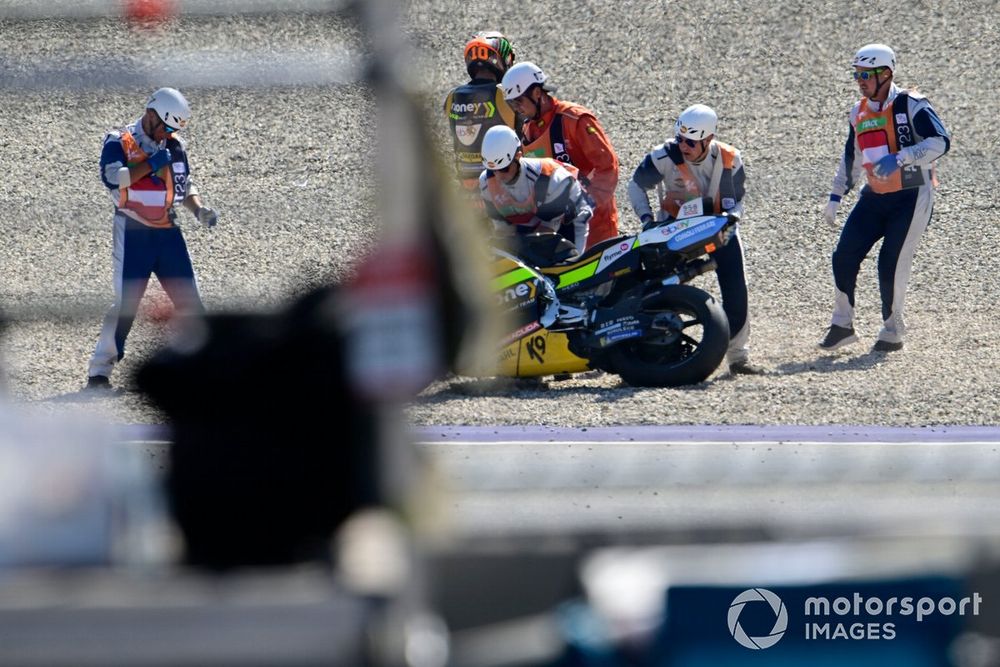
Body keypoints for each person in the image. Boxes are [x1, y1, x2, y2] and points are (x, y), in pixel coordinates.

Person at [819, 44, 950, 352]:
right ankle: (842, 325)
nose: (860, 81)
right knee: (843, 255)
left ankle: (892, 330)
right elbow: (851, 157)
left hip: (912, 194)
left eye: (866, 75)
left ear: (886, 74)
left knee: (889, 262)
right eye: (857, 75)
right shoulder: (858, 111)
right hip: (875, 196)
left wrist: (902, 157)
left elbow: (941, 142)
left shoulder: (912, 105)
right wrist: (836, 196)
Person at [86, 87, 218, 390]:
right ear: (151, 115)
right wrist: (151, 164)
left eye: (174, 129)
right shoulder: (119, 141)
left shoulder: (174, 145)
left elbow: (183, 187)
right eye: (167, 127)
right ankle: (99, 372)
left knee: (190, 302)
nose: (168, 134)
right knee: (126, 304)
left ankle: (200, 368)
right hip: (133, 232)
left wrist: (199, 210)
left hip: (168, 233)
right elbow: (112, 177)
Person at [627, 104, 763, 376]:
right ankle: (648, 352)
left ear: (709, 140)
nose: (684, 146)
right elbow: (636, 185)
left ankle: (737, 357)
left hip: (716, 229)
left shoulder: (730, 159)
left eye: (691, 142)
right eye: (680, 139)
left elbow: (736, 203)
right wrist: (647, 220)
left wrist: (732, 220)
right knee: (654, 289)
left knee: (737, 287)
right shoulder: (664, 155)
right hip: (672, 232)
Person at [500, 62, 620, 248]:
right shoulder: (527, 130)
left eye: (519, 101)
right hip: (558, 231)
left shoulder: (574, 119)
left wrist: (585, 205)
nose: (516, 108)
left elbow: (607, 166)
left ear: (537, 93)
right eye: (511, 104)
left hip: (595, 227)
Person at [479, 125, 592, 262]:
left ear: (518, 156)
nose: (498, 177)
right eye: (492, 171)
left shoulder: (550, 179)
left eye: (504, 169)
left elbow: (547, 233)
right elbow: (503, 232)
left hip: (568, 218)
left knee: (567, 269)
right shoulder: (486, 182)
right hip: (530, 220)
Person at [443, 31, 519, 219]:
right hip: (505, 187)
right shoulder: (504, 94)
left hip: (466, 191)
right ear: (502, 58)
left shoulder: (452, 96)